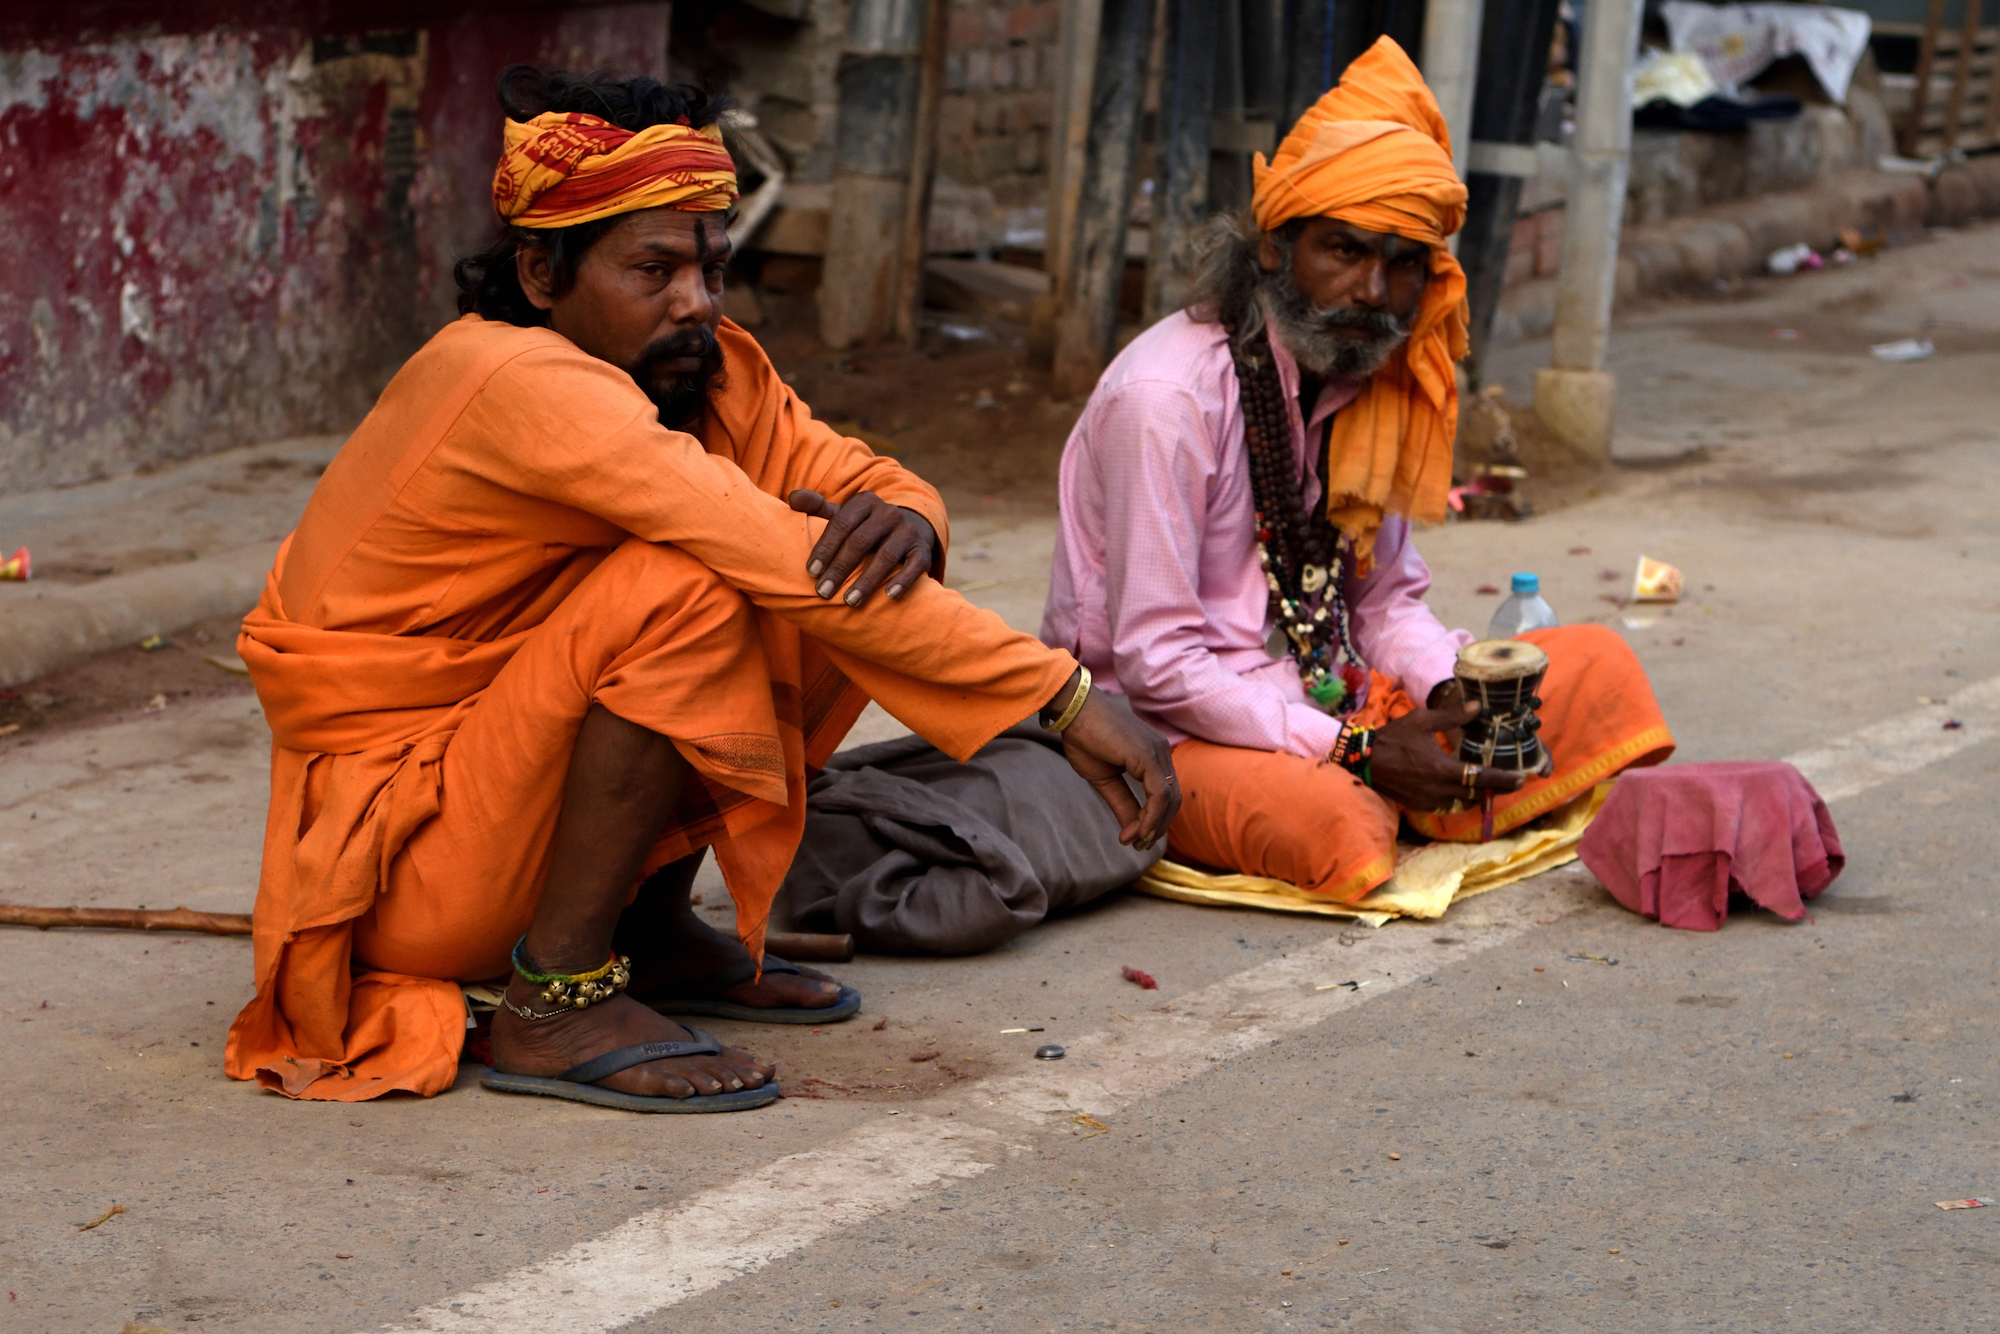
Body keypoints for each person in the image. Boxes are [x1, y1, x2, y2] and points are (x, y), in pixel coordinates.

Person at [225, 67, 1177, 1112]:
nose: (697, 302)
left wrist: (907, 519)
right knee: (705, 580)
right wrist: (1067, 697)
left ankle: (642, 930)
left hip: (497, 819)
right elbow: (769, 552)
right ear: (542, 274)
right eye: (654, 269)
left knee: (844, 545)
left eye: (711, 267)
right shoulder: (507, 377)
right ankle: (554, 998)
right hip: (395, 866)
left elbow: (862, 481)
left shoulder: (700, 367)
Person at [1040, 38, 1671, 905]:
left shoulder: (1368, 379)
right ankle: (1404, 792)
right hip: (1164, 730)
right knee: (1336, 824)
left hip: (1332, 696)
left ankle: (1427, 784)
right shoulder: (1168, 399)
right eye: (1344, 250)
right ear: (1273, 248)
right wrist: (1356, 750)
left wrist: (1450, 688)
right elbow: (1156, 664)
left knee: (1600, 669)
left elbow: (1384, 602)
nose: (1373, 292)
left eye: (1404, 263)